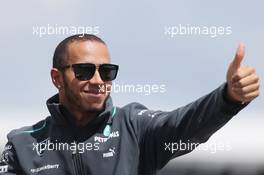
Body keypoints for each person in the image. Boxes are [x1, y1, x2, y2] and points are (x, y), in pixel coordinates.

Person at [0, 34, 260, 175]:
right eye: (84, 70)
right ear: (57, 78)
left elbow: (186, 123)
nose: (98, 80)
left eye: (107, 72)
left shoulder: (134, 127)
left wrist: (228, 97)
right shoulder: (23, 147)